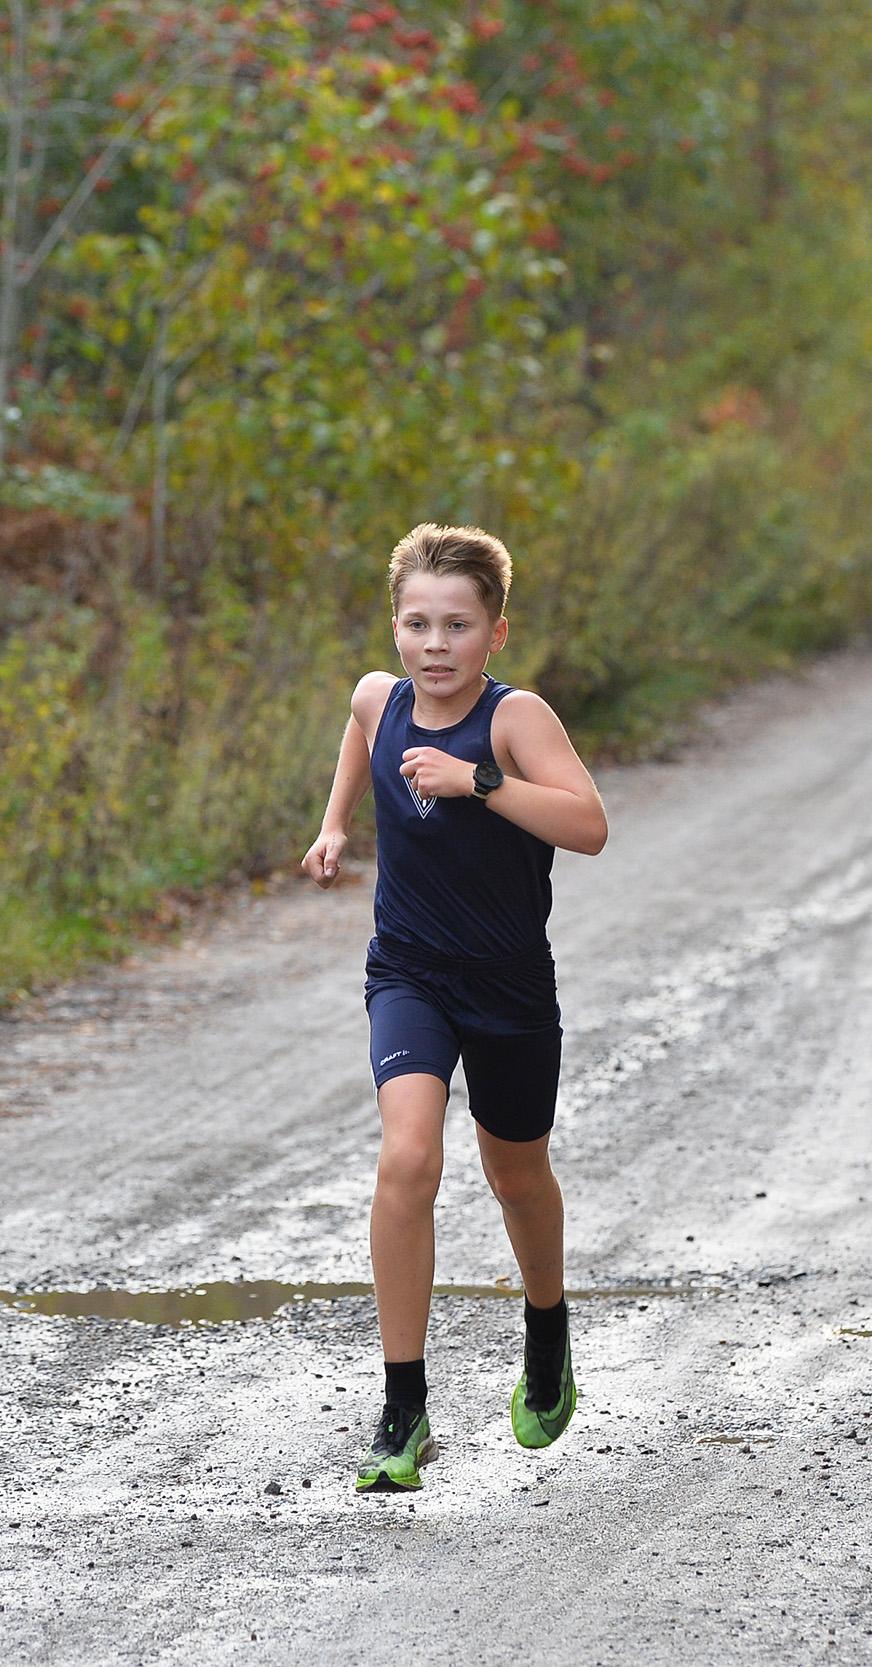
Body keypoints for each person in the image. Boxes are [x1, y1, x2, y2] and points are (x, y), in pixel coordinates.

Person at [302, 523, 610, 1493]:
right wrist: (334, 823)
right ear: (394, 627)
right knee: (407, 1156)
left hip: (511, 982)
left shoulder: (515, 721)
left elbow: (590, 826)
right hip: (410, 972)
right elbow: (360, 733)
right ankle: (402, 1405)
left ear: (495, 633)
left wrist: (477, 780)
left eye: (458, 625)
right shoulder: (376, 698)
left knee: (516, 1174)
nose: (435, 645)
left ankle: (547, 1331)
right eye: (417, 623)